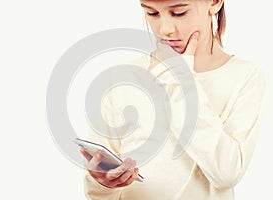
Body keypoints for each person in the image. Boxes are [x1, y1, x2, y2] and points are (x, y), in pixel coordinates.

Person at [80, 0, 267, 199]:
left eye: (179, 13)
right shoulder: (123, 78)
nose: (165, 29)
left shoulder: (244, 76)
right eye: (152, 14)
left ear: (214, 3)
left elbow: (226, 173)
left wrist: (181, 81)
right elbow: (100, 189)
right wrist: (102, 184)